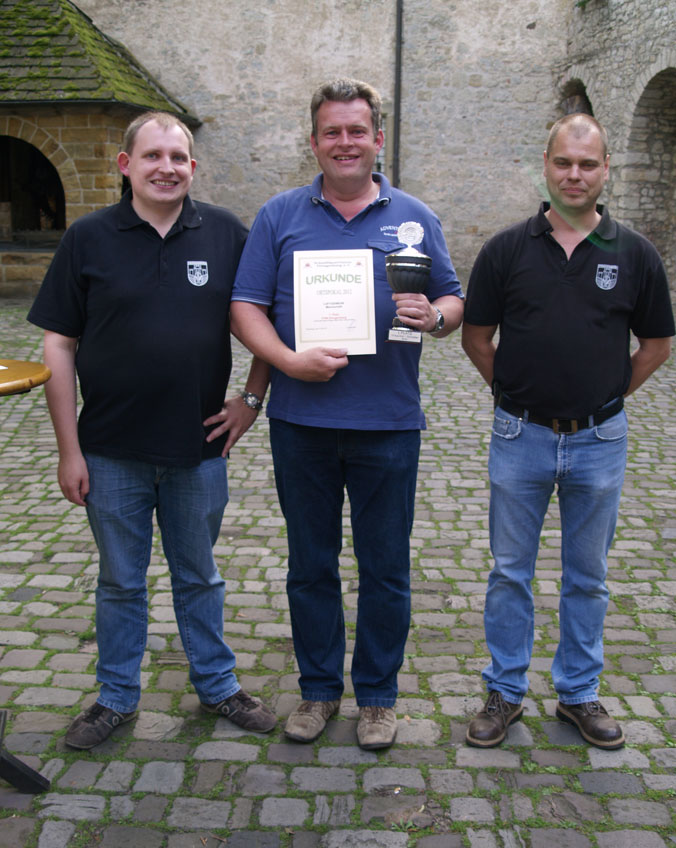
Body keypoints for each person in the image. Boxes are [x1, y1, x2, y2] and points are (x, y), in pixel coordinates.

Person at [27, 111, 276, 749]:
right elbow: (59, 344)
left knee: (200, 576)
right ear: (126, 165)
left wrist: (251, 399)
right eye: (152, 156)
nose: (166, 168)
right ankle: (115, 696)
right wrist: (68, 449)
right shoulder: (87, 238)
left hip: (199, 449)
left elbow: (265, 318)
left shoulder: (226, 234)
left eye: (177, 157)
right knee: (119, 581)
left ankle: (217, 685)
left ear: (193, 166)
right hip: (110, 451)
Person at [230, 78, 464, 750]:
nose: (345, 142)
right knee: (311, 564)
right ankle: (318, 690)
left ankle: (379, 698)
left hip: (388, 423)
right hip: (301, 423)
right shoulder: (279, 216)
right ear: (314, 142)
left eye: (356, 130)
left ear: (377, 138)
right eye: (331, 131)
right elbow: (245, 307)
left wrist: (434, 317)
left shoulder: (414, 216)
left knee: (385, 568)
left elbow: (453, 298)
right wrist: (287, 360)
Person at [461, 114, 674, 750]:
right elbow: (477, 338)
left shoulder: (635, 253)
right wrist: (512, 394)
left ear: (606, 170)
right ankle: (504, 690)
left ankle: (578, 693)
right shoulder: (506, 250)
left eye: (587, 164)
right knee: (510, 573)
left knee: (588, 576)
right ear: (546, 167)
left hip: (599, 442)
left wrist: (607, 398)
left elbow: (656, 344)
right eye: (563, 162)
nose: (574, 175)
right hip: (519, 436)